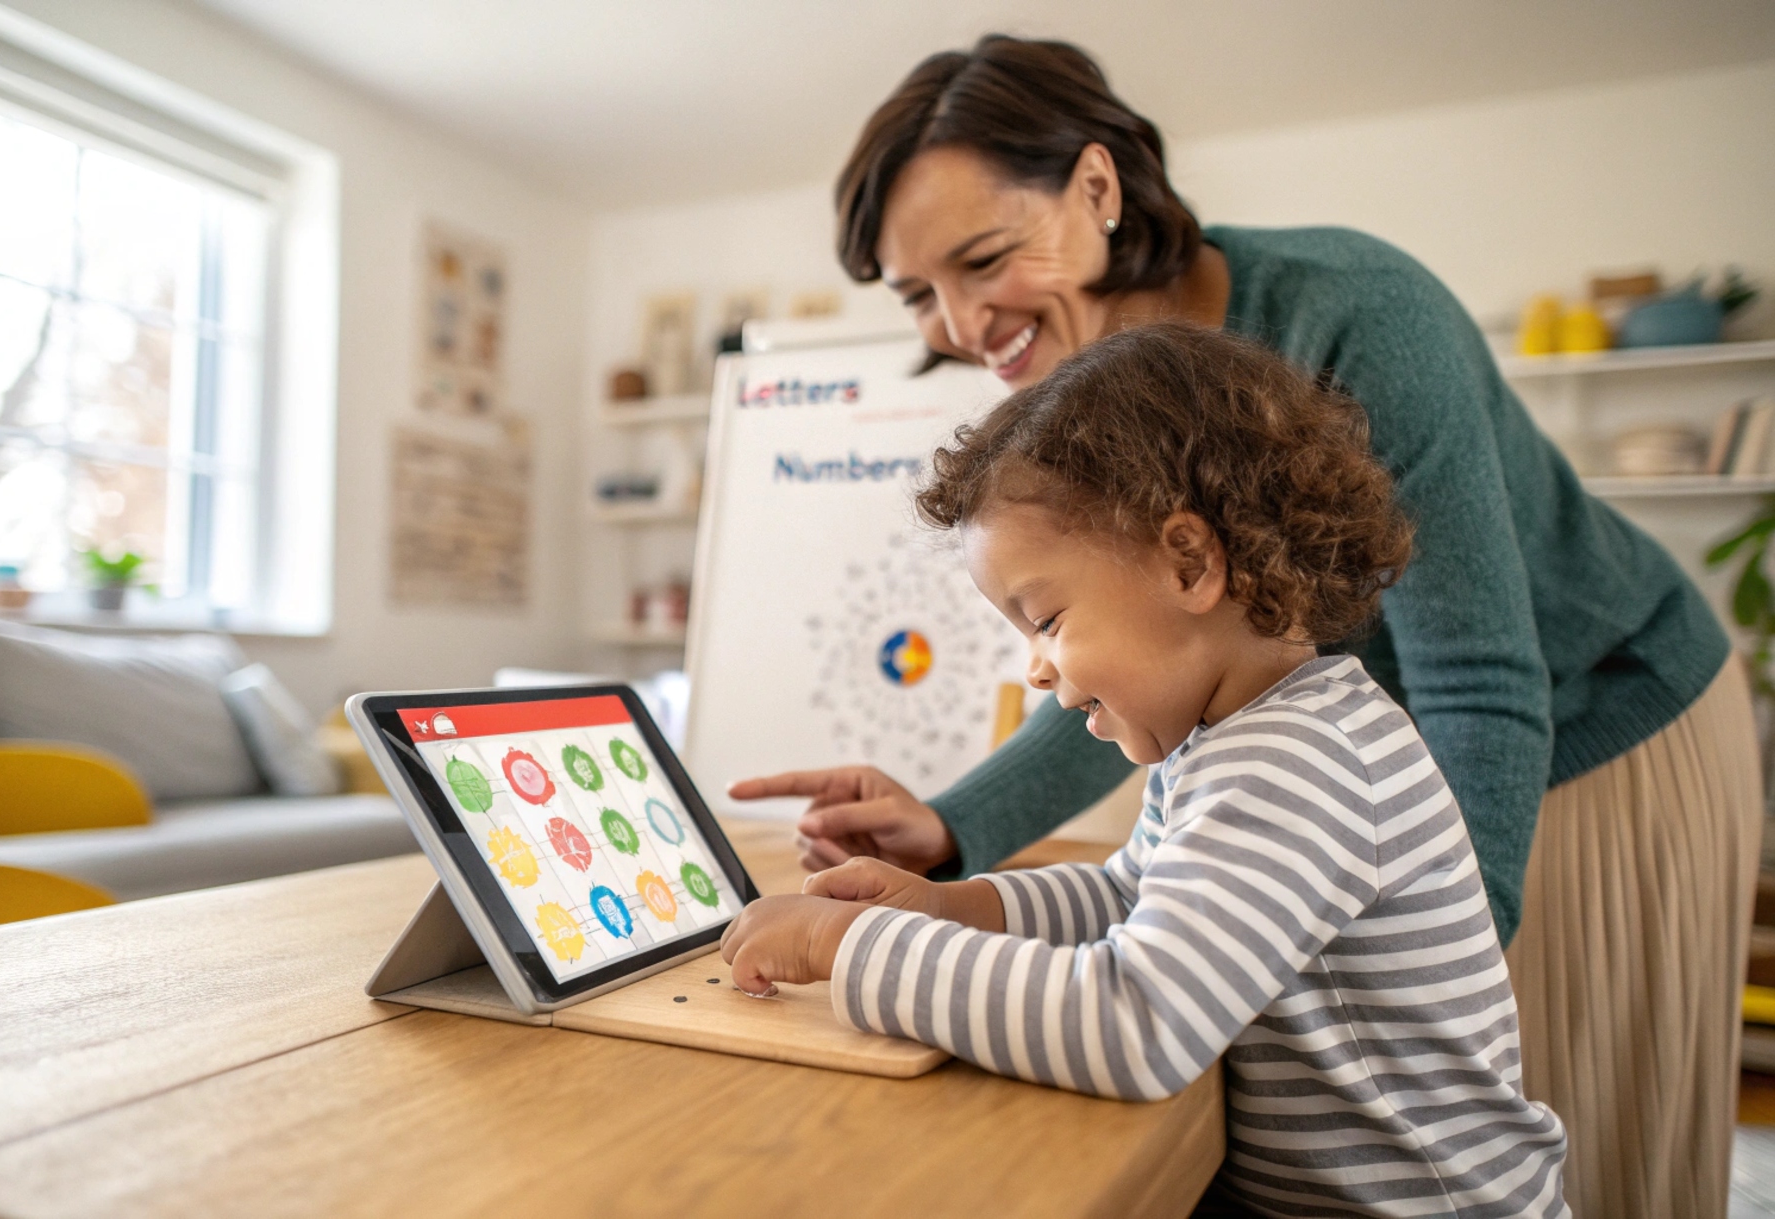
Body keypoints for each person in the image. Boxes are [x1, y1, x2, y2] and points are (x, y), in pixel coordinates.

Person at [728, 35, 1759, 1218]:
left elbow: (1473, 677)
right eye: (919, 295)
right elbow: (1148, 680)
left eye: (984, 257)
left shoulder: (1352, 325)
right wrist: (957, 856)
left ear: (1099, 190)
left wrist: (1427, 962)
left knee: (1584, 1119)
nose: (960, 322)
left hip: (1601, 700)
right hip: (1382, 780)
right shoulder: (1230, 705)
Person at [722, 323, 1569, 1216]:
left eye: (1045, 620)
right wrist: (954, 905)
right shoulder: (1232, 737)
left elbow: (1137, 1022)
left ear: (1190, 561)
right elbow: (1135, 895)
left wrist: (841, 944)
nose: (1035, 669)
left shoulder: (1299, 761)